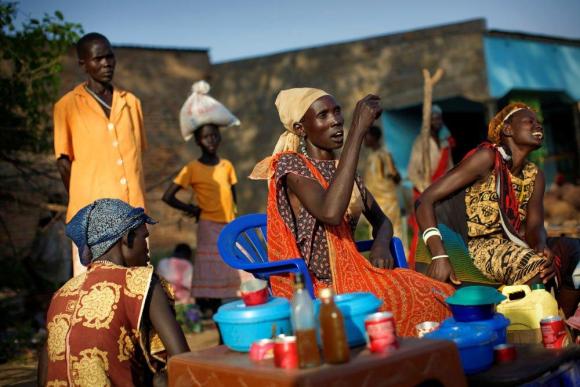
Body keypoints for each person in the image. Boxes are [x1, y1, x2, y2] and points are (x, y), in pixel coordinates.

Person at [251, 88, 454, 337]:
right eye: (323, 115)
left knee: (440, 292)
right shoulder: (292, 166)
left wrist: (380, 245)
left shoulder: (345, 172)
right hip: (323, 287)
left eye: (337, 111)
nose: (336, 120)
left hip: (358, 274)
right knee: (410, 297)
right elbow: (330, 212)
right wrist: (357, 131)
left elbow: (382, 221)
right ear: (301, 128)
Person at [415, 103, 580, 315]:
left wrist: (540, 244)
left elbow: (535, 225)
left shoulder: (535, 175)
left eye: (539, 123)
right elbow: (425, 200)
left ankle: (561, 324)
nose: (538, 126)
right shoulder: (487, 159)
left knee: (575, 252)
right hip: (476, 247)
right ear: (508, 129)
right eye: (530, 122)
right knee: (533, 266)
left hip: (512, 244)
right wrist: (439, 255)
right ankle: (532, 334)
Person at [37, 199, 188, 386]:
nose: (147, 248)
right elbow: (183, 359)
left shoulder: (62, 292)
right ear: (127, 238)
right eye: (144, 237)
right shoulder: (140, 281)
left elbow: (45, 367)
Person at [53, 33, 148, 277]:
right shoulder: (67, 106)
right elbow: (64, 164)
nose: (106, 63)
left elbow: (136, 158)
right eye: (98, 58)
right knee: (97, 290)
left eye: (110, 56)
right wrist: (84, 205)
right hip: (94, 220)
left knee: (137, 285)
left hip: (132, 215)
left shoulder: (131, 103)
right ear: (83, 64)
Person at [163, 124, 251, 316]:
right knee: (214, 281)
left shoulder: (227, 166)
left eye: (214, 135)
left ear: (219, 137)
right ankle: (221, 325)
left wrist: (235, 220)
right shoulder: (192, 168)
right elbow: (168, 196)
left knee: (240, 274)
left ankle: (239, 318)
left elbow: (233, 199)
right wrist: (192, 209)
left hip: (229, 226)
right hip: (208, 226)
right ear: (197, 142)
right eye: (205, 137)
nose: (211, 140)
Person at [407, 105, 454, 265]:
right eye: (433, 118)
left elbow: (450, 168)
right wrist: (426, 189)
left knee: (443, 229)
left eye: (438, 118)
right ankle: (418, 264)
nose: (437, 121)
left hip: (442, 193)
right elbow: (412, 172)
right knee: (423, 230)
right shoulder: (420, 143)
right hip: (424, 191)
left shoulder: (445, 142)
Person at [363, 125, 402, 239]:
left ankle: (400, 256)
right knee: (378, 234)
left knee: (393, 234)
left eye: (367, 135)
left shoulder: (383, 155)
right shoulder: (372, 156)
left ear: (374, 137)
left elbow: (396, 177)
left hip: (388, 203)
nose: (364, 138)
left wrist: (393, 172)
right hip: (376, 202)